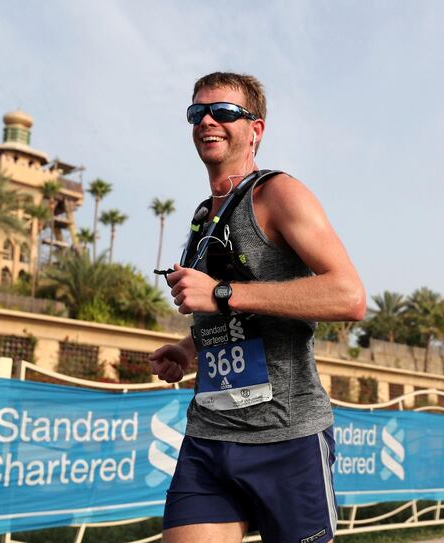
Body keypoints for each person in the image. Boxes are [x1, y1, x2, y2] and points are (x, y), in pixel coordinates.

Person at [148, 72, 365, 543]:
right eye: (197, 112)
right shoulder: (204, 216)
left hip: (285, 437)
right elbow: (232, 314)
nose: (207, 120)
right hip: (209, 434)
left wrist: (221, 293)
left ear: (255, 129)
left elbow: (348, 295)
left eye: (223, 111)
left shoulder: (278, 194)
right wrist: (189, 349)